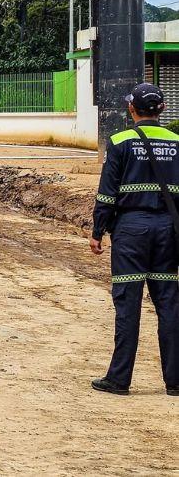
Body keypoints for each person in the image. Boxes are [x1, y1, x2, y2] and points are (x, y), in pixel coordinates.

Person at [91, 83, 179, 396]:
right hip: (167, 231)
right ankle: (175, 381)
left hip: (130, 231)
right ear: (163, 110)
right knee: (169, 302)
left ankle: (119, 379)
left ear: (132, 109)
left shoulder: (119, 142)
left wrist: (97, 231)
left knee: (128, 303)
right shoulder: (177, 142)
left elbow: (107, 193)